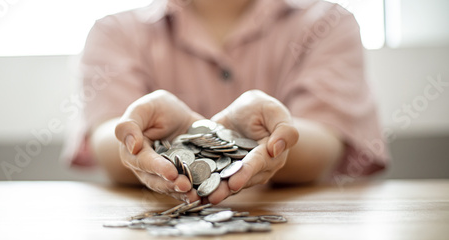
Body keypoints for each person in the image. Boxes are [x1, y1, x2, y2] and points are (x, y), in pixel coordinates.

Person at [63, 0, 388, 204]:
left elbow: (326, 139)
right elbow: (108, 134)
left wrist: (245, 139)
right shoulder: (114, 32)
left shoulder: (329, 22)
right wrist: (173, 137)